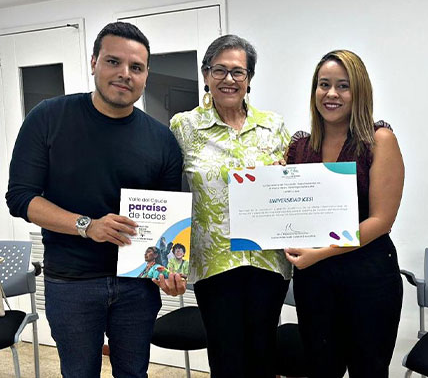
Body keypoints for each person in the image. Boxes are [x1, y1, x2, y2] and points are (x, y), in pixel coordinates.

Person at [6, 22, 186, 378]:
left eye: (136, 67)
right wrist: (87, 226)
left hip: (137, 285)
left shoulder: (162, 140)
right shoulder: (48, 118)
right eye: (113, 61)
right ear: (94, 63)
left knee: (134, 374)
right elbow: (21, 198)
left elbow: (169, 220)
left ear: (146, 75)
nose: (125, 74)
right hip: (71, 282)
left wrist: (169, 272)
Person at [170, 34, 291, 378]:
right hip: (214, 264)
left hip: (268, 262)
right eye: (219, 70)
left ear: (249, 79)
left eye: (238, 71)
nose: (229, 79)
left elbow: (293, 185)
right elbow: (168, 191)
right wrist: (168, 262)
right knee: (227, 358)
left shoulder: (274, 126)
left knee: (263, 354)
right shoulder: (184, 126)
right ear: (205, 74)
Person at [285, 50, 404, 378]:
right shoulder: (300, 147)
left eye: (343, 86)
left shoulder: (378, 141)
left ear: (359, 92)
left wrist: (320, 253)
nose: (332, 94)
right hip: (314, 281)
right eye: (324, 84)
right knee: (320, 369)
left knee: (369, 371)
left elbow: (381, 221)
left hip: (368, 278)